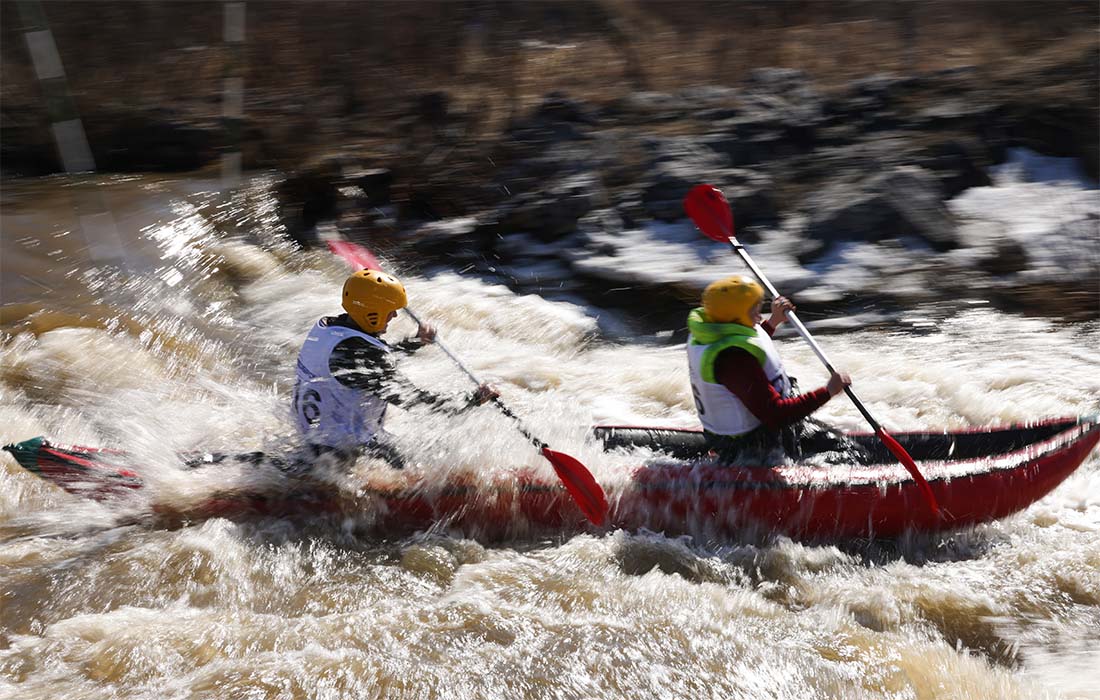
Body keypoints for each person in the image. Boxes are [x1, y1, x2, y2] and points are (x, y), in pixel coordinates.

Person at [291, 269, 497, 470]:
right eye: (390, 310)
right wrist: (475, 398)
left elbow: (365, 365)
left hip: (315, 442)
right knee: (429, 462)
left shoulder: (328, 328)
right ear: (372, 312)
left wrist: (415, 342)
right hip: (340, 454)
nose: (395, 315)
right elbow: (421, 404)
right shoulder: (364, 357)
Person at [686, 275, 853, 464]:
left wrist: (773, 321)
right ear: (735, 317)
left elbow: (747, 341)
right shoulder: (734, 361)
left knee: (839, 444)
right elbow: (776, 415)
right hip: (752, 447)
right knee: (848, 454)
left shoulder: (711, 329)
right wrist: (828, 391)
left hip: (748, 433)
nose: (759, 317)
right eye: (753, 312)